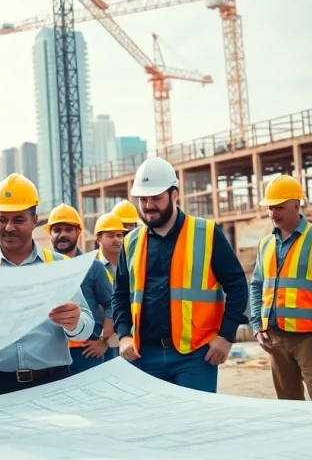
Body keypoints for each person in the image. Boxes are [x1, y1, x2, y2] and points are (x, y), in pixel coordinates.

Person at [0, 174, 94, 460]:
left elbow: (88, 326)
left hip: (53, 387)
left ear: (35, 220)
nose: (9, 227)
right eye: (2, 219)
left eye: (18, 219)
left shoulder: (59, 266)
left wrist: (75, 321)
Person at [111, 157, 249, 392]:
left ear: (174, 195)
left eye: (156, 198)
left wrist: (226, 337)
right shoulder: (130, 242)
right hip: (144, 356)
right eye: (143, 199)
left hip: (195, 356)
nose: (148, 205)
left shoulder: (206, 233)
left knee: (195, 417)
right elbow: (120, 295)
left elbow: (237, 285)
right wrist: (124, 335)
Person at [250, 175, 312, 402]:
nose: (273, 214)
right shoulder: (265, 244)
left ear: (297, 205)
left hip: (309, 339)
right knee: (288, 402)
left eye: (279, 207)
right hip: (275, 338)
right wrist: (257, 326)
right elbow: (257, 286)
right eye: (270, 208)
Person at [45, 203, 113, 374]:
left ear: (78, 232)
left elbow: (112, 305)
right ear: (50, 234)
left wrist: (104, 341)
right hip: (51, 357)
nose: (62, 234)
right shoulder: (42, 267)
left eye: (68, 229)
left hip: (86, 355)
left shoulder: (94, 267)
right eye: (57, 230)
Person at [93, 211, 124, 360]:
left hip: (128, 337)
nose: (117, 240)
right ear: (98, 239)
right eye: (110, 236)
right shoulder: (91, 267)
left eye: (119, 235)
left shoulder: (131, 262)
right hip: (104, 342)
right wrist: (103, 339)